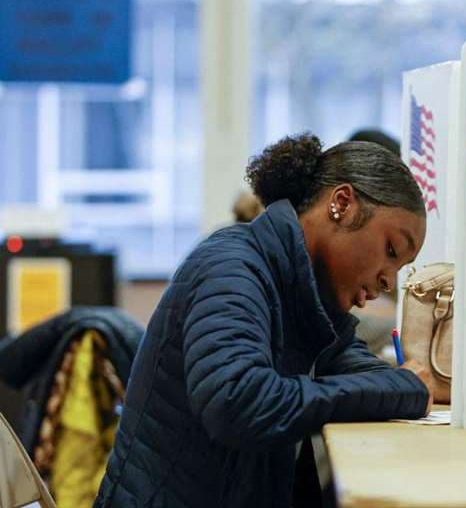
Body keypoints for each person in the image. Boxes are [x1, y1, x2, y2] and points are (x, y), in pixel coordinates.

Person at [94, 133, 434, 507]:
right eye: (390, 250)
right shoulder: (233, 267)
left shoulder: (305, 291)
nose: (389, 279)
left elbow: (353, 365)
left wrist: (407, 387)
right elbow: (236, 401)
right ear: (342, 204)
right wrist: (402, 390)